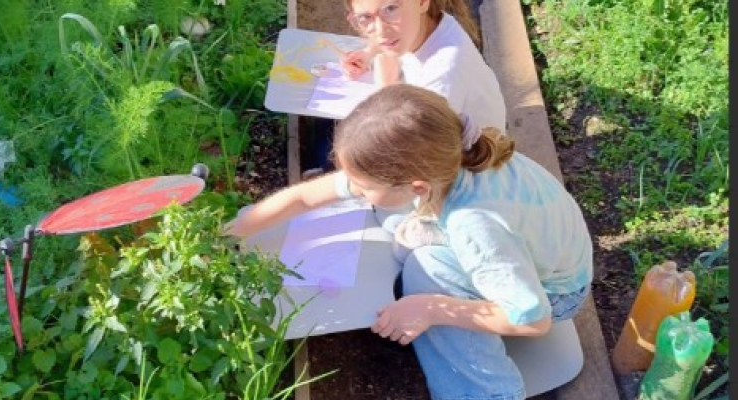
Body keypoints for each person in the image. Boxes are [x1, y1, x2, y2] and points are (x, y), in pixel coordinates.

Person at [229, 84, 593, 400]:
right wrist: (238, 227)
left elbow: (533, 320)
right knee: (388, 215)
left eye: (365, 186)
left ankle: (484, 390)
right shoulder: (444, 155)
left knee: (427, 271)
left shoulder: (474, 225)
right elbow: (310, 196)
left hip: (551, 294)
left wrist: (430, 308)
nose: (354, 191)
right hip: (518, 256)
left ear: (417, 188)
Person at [305, 0, 506, 175]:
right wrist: (369, 52)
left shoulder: (443, 76)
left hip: (462, 164)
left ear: (422, 2)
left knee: (341, 145)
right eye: (365, 18)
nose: (381, 31)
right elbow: (388, 30)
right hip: (429, 132)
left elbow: (400, 148)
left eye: (391, 8)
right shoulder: (428, 25)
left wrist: (386, 90)